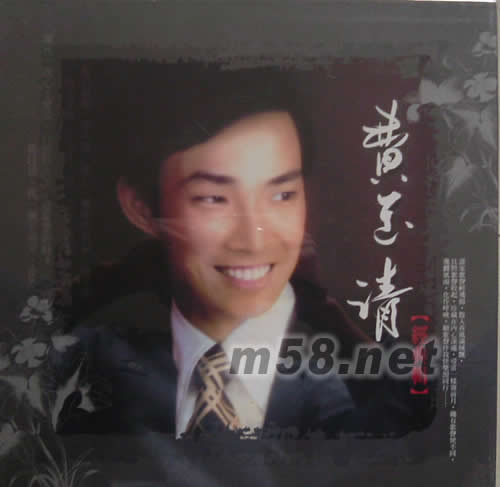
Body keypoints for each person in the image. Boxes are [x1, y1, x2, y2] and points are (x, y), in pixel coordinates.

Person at [50, 68, 433, 439]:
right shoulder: (73, 370)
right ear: (142, 208)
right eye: (214, 199)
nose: (253, 240)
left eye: (282, 195)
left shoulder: (394, 391)